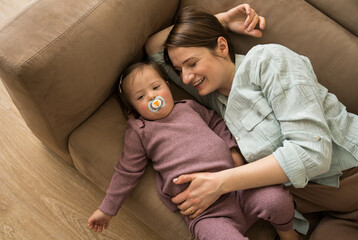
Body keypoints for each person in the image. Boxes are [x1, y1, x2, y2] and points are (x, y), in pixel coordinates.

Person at [145, 4, 358, 240]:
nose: (185, 77)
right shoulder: (212, 98)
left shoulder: (267, 61)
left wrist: (220, 182)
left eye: (192, 63)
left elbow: (313, 152)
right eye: (179, 69)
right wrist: (220, 22)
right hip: (335, 211)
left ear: (222, 46)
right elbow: (154, 48)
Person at [88, 61, 299, 240]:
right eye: (140, 97)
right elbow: (127, 171)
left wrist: (234, 152)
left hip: (239, 187)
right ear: (134, 108)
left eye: (155, 87)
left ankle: (287, 232)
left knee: (277, 200)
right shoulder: (140, 131)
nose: (152, 97)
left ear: (168, 86)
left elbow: (218, 123)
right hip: (207, 212)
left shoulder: (189, 106)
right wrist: (107, 209)